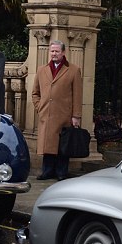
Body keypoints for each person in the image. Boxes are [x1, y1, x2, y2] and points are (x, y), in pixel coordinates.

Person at [32, 40, 83, 180]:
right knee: (47, 145)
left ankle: (61, 172)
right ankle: (47, 171)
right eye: (52, 51)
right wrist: (39, 107)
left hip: (64, 115)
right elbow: (35, 93)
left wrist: (76, 115)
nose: (54, 54)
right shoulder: (41, 69)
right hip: (46, 114)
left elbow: (78, 95)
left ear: (63, 52)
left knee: (62, 146)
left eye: (57, 51)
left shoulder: (73, 70)